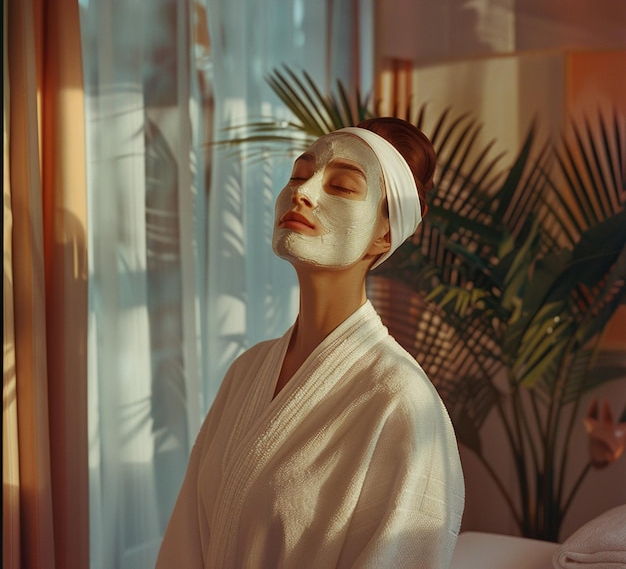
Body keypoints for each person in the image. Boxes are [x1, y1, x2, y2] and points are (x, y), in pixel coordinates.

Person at [156, 117, 465, 568]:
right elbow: (185, 543)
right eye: (299, 175)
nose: (303, 191)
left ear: (385, 234)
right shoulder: (247, 371)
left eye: (341, 187)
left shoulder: (402, 405)